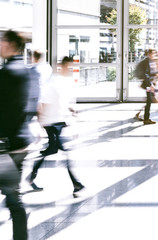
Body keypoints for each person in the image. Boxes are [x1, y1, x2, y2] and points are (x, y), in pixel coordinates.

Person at [29, 56, 85, 195]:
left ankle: (31, 176)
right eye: (68, 67)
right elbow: (42, 103)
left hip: (58, 121)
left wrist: (71, 110)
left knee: (52, 150)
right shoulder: (52, 81)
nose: (70, 70)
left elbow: (62, 100)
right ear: (62, 66)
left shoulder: (62, 81)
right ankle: (76, 183)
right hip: (51, 123)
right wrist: (41, 123)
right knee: (63, 152)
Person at [0, 29, 30, 240]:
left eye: (2, 41)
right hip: (21, 142)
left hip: (5, 146)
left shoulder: (6, 74)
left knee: (13, 198)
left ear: (10, 45)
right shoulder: (25, 71)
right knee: (12, 195)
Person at [134, 49, 158, 125]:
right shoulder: (146, 62)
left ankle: (139, 114)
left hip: (152, 83)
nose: (154, 55)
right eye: (153, 53)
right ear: (149, 54)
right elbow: (146, 74)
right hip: (149, 84)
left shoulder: (151, 61)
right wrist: (150, 85)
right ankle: (147, 119)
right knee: (151, 99)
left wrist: (156, 75)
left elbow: (151, 72)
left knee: (152, 98)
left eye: (155, 53)